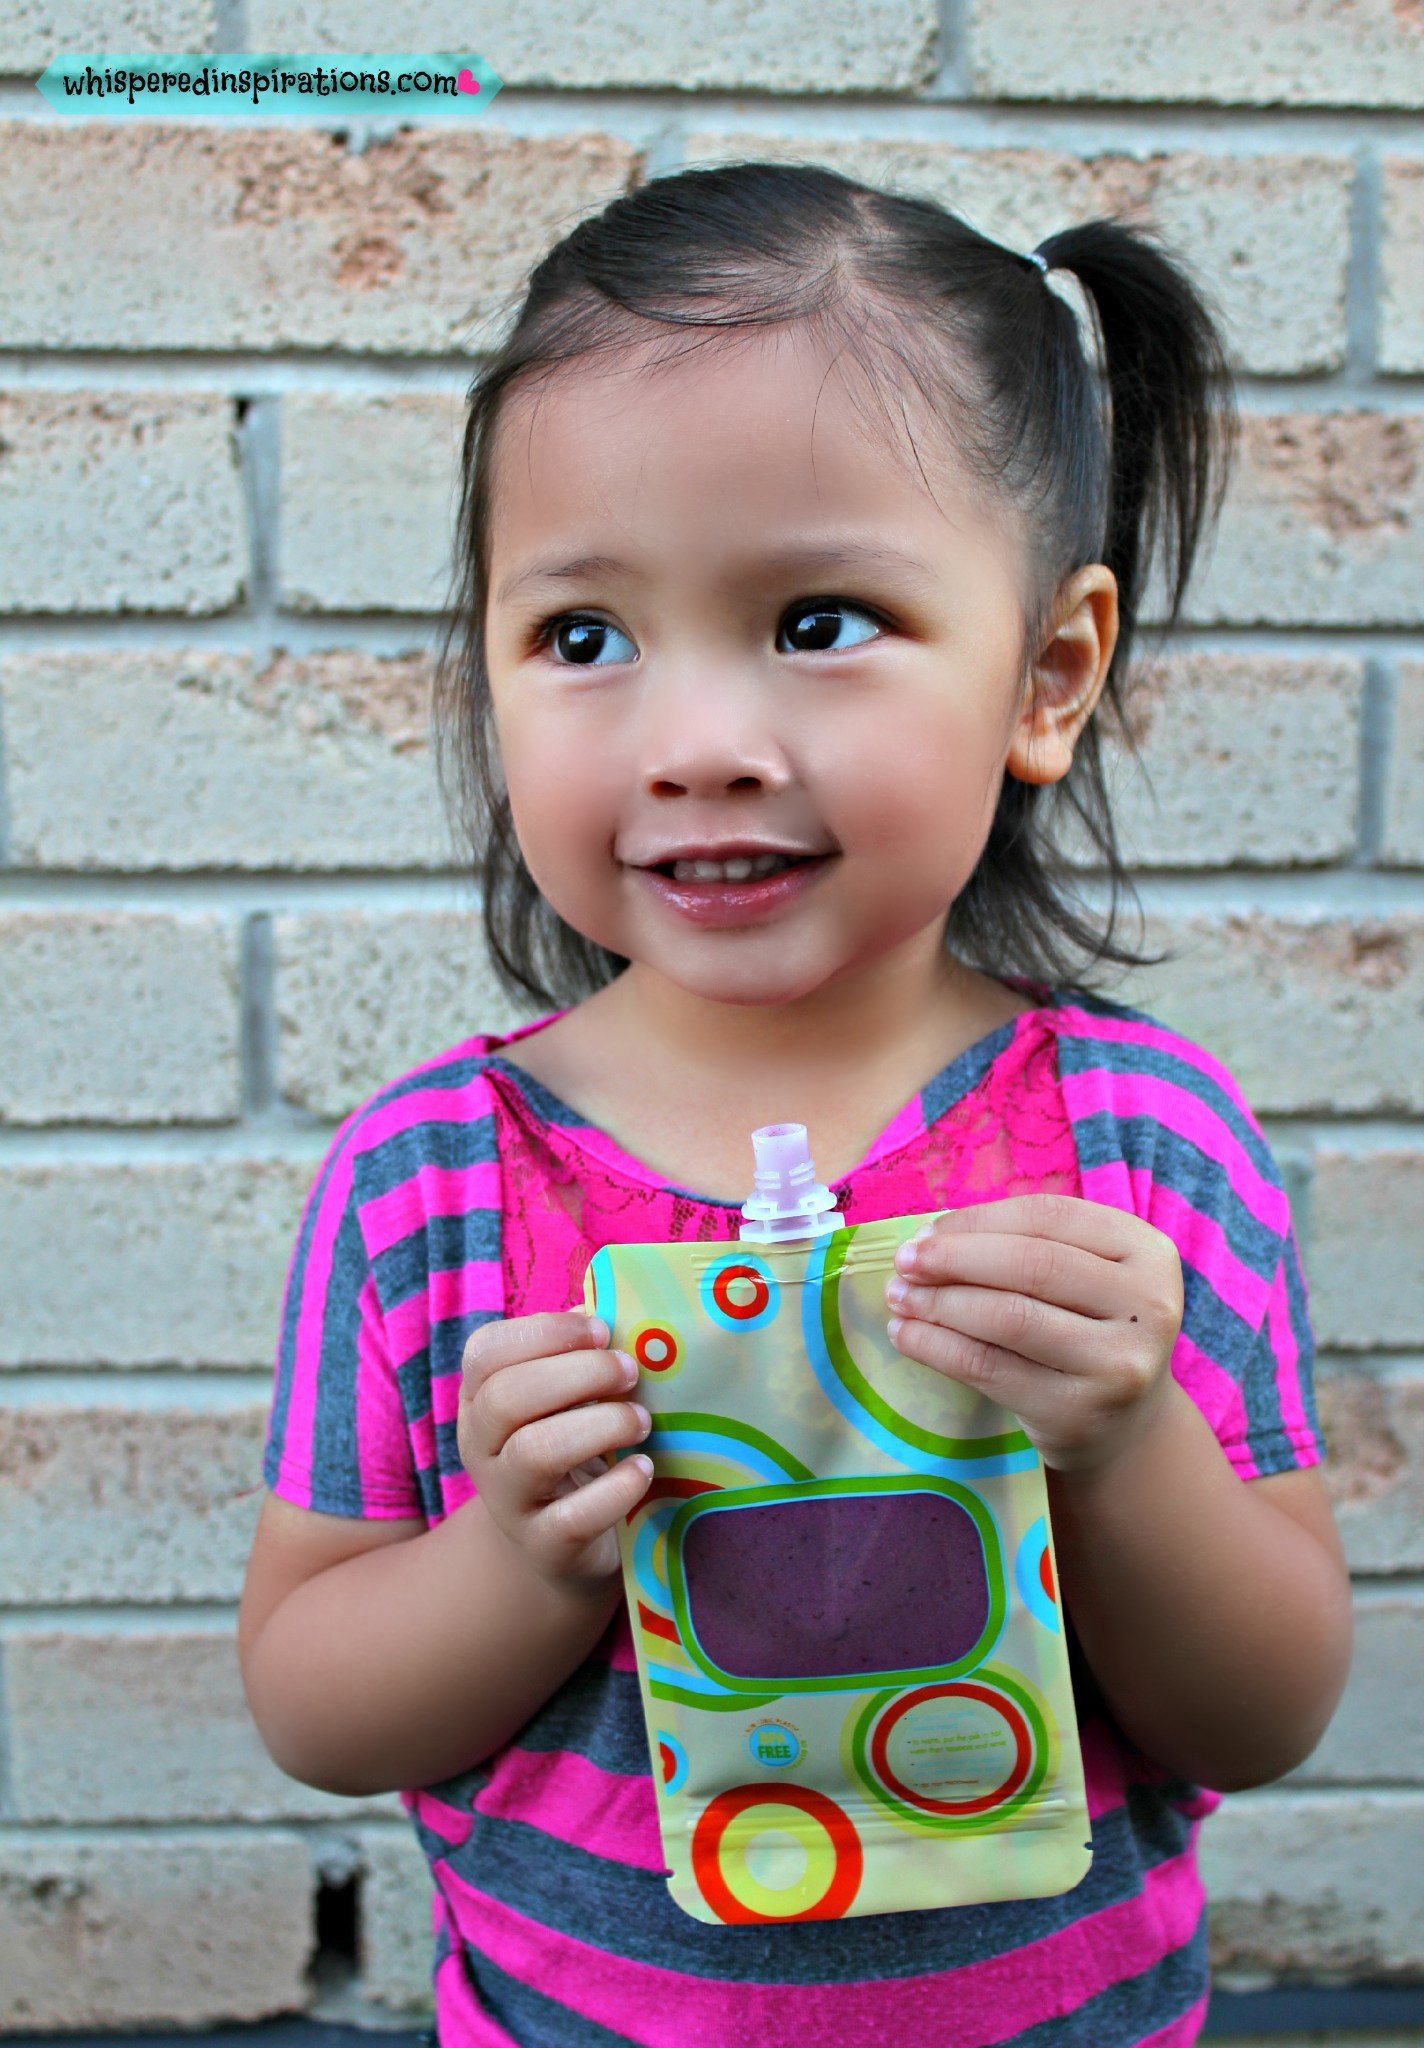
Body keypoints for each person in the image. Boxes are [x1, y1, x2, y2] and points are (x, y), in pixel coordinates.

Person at [237, 160, 1353, 2046]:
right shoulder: (435, 1179)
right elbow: (314, 1704)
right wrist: (511, 1557)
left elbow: (1268, 1711)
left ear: (1050, 674)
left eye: (821, 619)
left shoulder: (1143, 1145)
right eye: (583, 637)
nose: (697, 747)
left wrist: (1125, 1441)